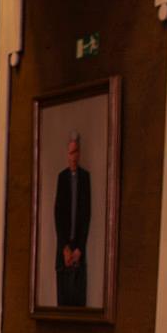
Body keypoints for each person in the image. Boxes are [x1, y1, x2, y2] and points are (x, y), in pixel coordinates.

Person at [54, 132, 92, 308]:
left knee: (78, 302)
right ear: (67, 155)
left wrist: (79, 249)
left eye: (76, 152)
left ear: (80, 153)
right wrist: (65, 248)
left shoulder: (85, 178)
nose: (74, 156)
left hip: (78, 249)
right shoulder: (62, 178)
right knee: (63, 301)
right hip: (64, 249)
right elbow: (58, 215)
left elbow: (86, 215)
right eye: (71, 153)